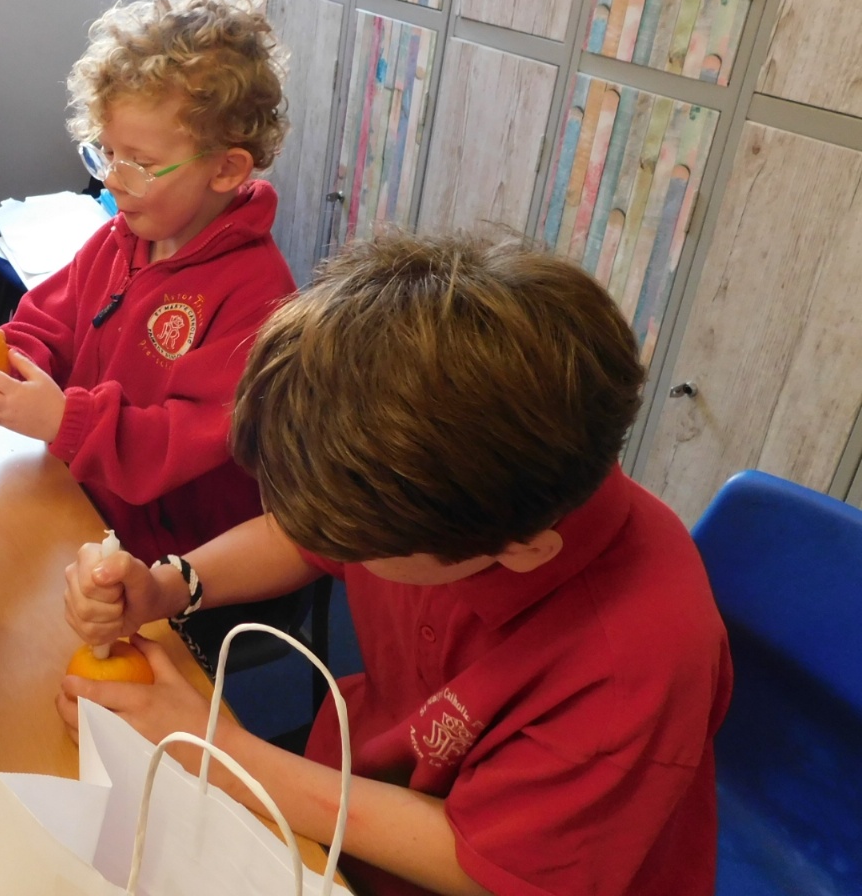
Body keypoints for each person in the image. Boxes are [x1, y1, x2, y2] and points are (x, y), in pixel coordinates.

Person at [59, 234, 733, 896]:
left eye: (358, 548)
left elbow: (479, 865)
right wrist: (168, 586)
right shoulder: (445, 492)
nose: (336, 547)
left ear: (517, 553)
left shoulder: (631, 667)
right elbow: (303, 536)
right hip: (356, 790)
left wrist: (217, 750)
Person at [0, 0, 297, 597]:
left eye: (139, 164)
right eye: (108, 154)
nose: (113, 182)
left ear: (226, 169)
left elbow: (186, 439)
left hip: (172, 563)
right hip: (88, 503)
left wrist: (64, 421)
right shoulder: (121, 240)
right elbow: (46, 325)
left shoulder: (257, 296)